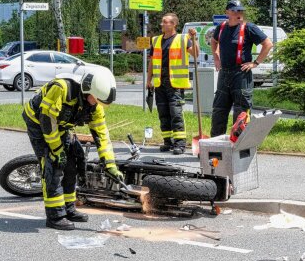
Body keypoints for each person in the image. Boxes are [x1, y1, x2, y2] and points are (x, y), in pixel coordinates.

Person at [22, 67, 124, 230]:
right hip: (39, 124)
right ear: (87, 90)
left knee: (74, 162)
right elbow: (47, 121)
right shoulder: (62, 89)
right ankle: (55, 216)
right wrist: (56, 150)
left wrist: (110, 165)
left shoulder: (94, 105)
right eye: (96, 100)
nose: (97, 104)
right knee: (54, 166)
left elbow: (102, 134)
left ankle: (68, 209)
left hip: (60, 126)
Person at [210, 0, 273, 137]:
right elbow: (213, 41)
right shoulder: (221, 28)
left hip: (241, 74)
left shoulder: (249, 28)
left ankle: (237, 146)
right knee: (219, 110)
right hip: (224, 73)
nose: (238, 13)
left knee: (241, 112)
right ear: (227, 12)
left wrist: (255, 63)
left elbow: (268, 44)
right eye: (234, 10)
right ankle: (215, 146)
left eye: (240, 10)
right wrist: (216, 57)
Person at [147, 13, 199, 154]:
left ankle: (180, 144)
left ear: (174, 24)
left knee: (176, 113)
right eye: (162, 22)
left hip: (175, 83)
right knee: (163, 114)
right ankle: (167, 142)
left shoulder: (183, 39)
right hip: (159, 83)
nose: (162, 24)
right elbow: (152, 61)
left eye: (165, 22)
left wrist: (194, 39)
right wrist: (148, 79)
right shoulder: (156, 40)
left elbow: (195, 54)